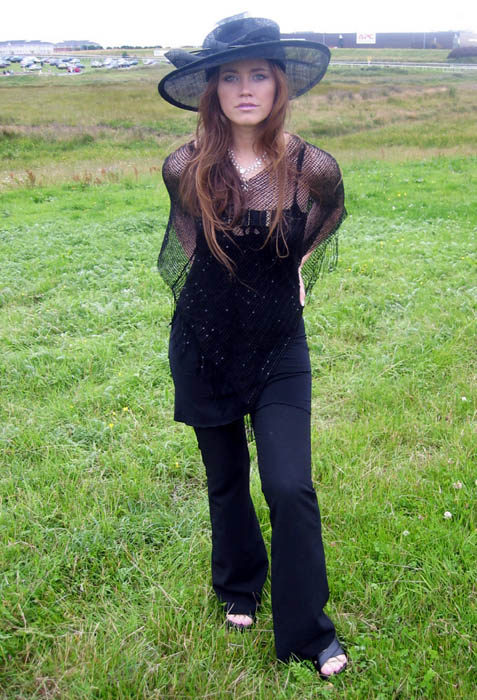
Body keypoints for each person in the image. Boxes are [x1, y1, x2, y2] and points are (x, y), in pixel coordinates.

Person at [157, 16, 348, 679]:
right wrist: (221, 298)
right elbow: (189, 242)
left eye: (258, 74)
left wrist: (294, 269)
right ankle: (239, 582)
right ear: (212, 88)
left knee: (289, 485)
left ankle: (307, 633)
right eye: (230, 76)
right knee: (226, 479)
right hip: (204, 343)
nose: (245, 89)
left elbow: (329, 216)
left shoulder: (311, 167)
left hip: (278, 346)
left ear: (278, 84)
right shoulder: (184, 165)